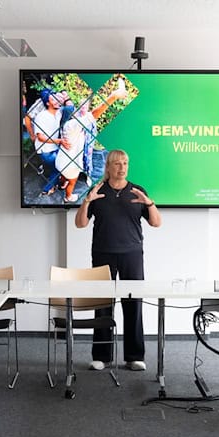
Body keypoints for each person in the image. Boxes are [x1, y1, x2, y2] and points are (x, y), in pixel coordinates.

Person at [74, 149, 162, 371]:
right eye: (117, 164)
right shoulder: (98, 191)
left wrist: (149, 203)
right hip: (103, 253)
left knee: (133, 304)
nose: (122, 167)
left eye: (125, 163)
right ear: (109, 167)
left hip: (132, 254)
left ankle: (134, 356)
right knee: (103, 305)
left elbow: (156, 223)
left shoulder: (137, 191)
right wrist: (86, 202)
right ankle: (102, 356)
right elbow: (80, 224)